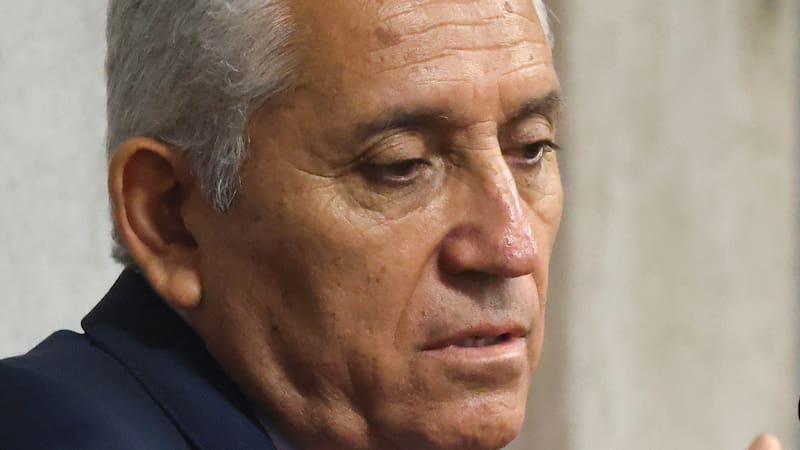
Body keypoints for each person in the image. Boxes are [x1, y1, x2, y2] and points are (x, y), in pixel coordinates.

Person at [0, 1, 783, 449]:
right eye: (402, 165)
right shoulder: (48, 430)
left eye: (532, 148)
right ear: (170, 216)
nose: (511, 246)